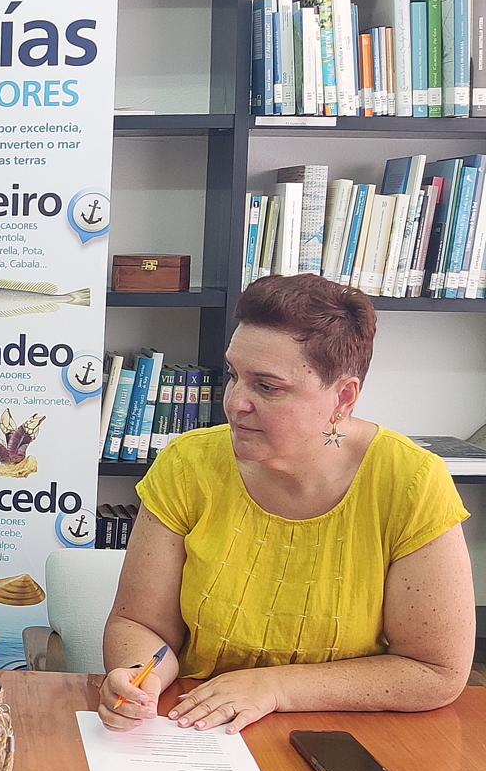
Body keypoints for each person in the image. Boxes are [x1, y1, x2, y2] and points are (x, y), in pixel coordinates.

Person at [98, 274, 474, 734]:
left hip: (344, 735)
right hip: (197, 729)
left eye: (267, 387)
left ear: (343, 397)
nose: (235, 402)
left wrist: (275, 687)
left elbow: (435, 671)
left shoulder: (410, 482)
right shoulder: (188, 464)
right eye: (233, 375)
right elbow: (141, 624)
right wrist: (140, 677)